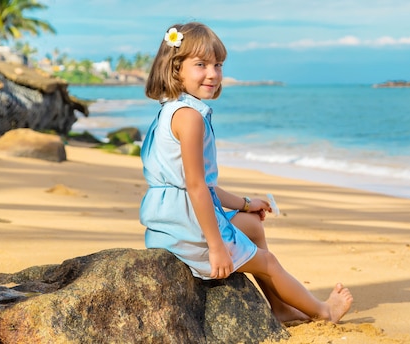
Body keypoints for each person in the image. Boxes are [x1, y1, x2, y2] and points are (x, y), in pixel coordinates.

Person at [139, 22, 353, 323]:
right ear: (176, 69)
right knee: (269, 262)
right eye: (201, 65)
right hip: (189, 229)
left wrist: (246, 203)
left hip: (173, 220)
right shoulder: (190, 119)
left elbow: (202, 187)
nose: (213, 74)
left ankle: (279, 306)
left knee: (252, 226)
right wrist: (216, 248)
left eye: (218, 65)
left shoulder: (172, 109)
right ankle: (324, 310)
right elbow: (196, 187)